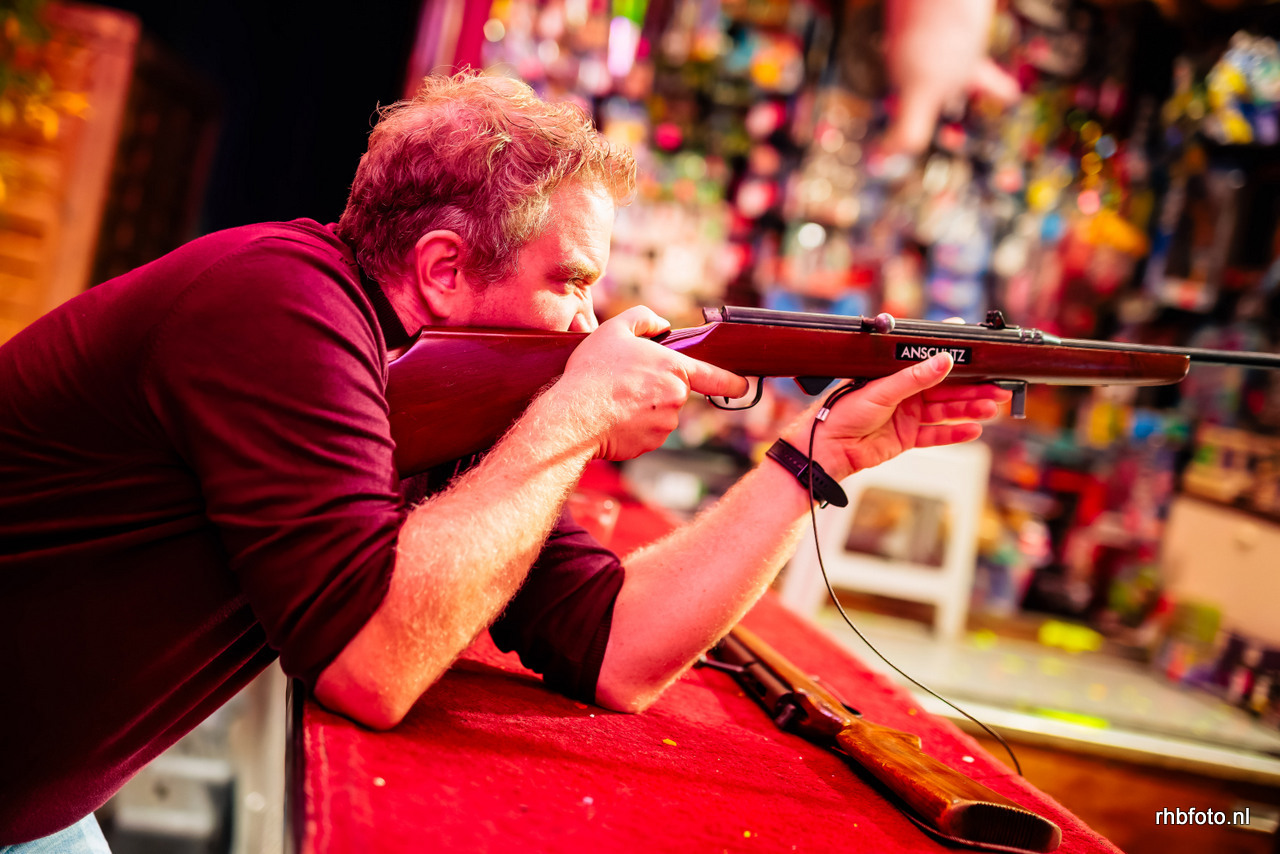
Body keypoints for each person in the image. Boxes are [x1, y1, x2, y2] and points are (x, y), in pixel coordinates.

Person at [0, 71, 1008, 849]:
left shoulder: (431, 383)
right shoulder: (278, 304)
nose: (588, 323)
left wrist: (812, 460)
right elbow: (371, 667)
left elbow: (615, 649)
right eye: (570, 283)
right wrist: (575, 412)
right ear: (443, 267)